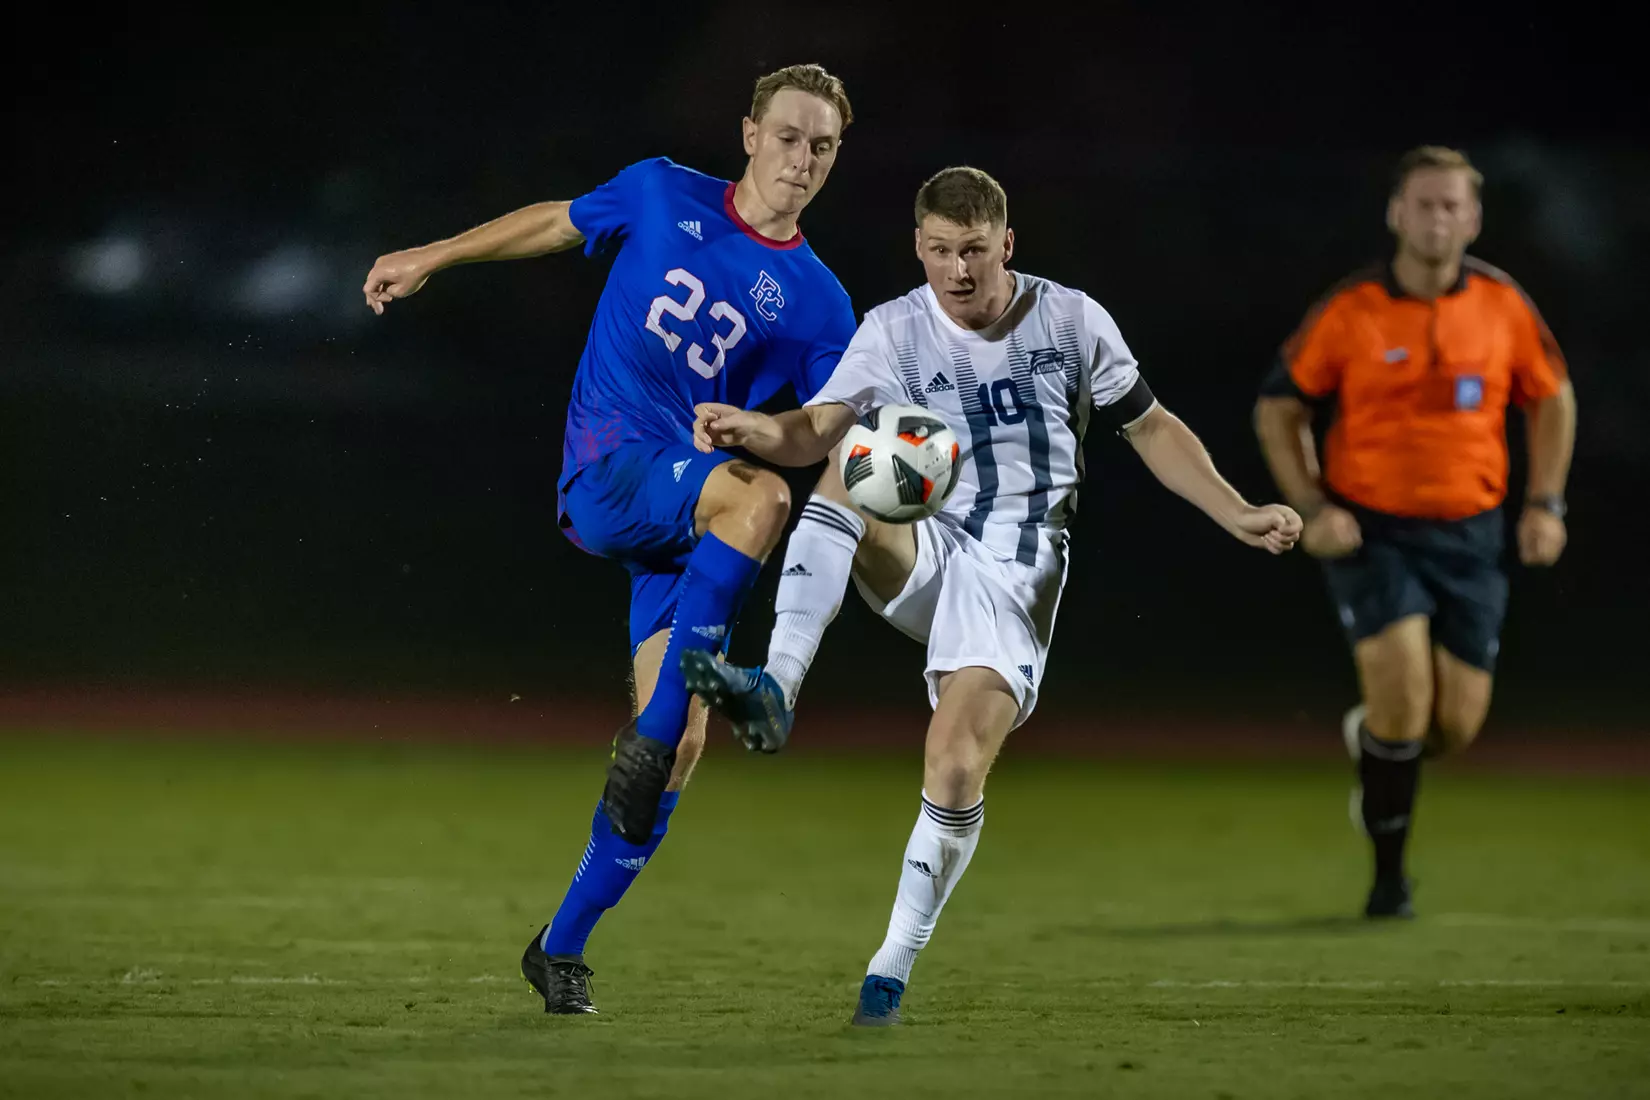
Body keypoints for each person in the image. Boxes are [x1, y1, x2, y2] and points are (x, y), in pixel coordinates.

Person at [683, 166, 1301, 1025]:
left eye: (974, 250)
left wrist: (1235, 512)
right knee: (852, 460)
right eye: (940, 251)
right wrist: (757, 429)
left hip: (1018, 577)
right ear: (919, 247)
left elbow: (1149, 425)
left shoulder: (1070, 319)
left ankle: (889, 969)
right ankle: (776, 687)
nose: (958, 271)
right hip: (928, 546)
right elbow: (817, 426)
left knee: (956, 763)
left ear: (1007, 244)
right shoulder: (893, 329)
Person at [361, 64, 857, 1014]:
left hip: (686, 520)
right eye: (788, 136)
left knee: (680, 750)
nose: (802, 159)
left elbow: (824, 429)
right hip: (613, 465)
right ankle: (656, 724)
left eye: (823, 146)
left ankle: (558, 946)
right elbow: (556, 221)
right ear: (749, 133)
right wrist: (434, 253)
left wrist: (771, 433)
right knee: (762, 506)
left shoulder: (821, 302)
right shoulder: (663, 189)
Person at [1253, 146, 1577, 919]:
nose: (1438, 218)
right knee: (1404, 704)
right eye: (1424, 204)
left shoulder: (1502, 305)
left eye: (1452, 205)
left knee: (1454, 728)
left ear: (1474, 218)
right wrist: (1312, 504)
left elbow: (1553, 397)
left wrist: (1546, 504)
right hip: (1376, 535)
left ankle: (1375, 744)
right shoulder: (1352, 309)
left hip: (1472, 536)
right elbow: (1279, 406)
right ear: (1397, 214)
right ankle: (1388, 882)